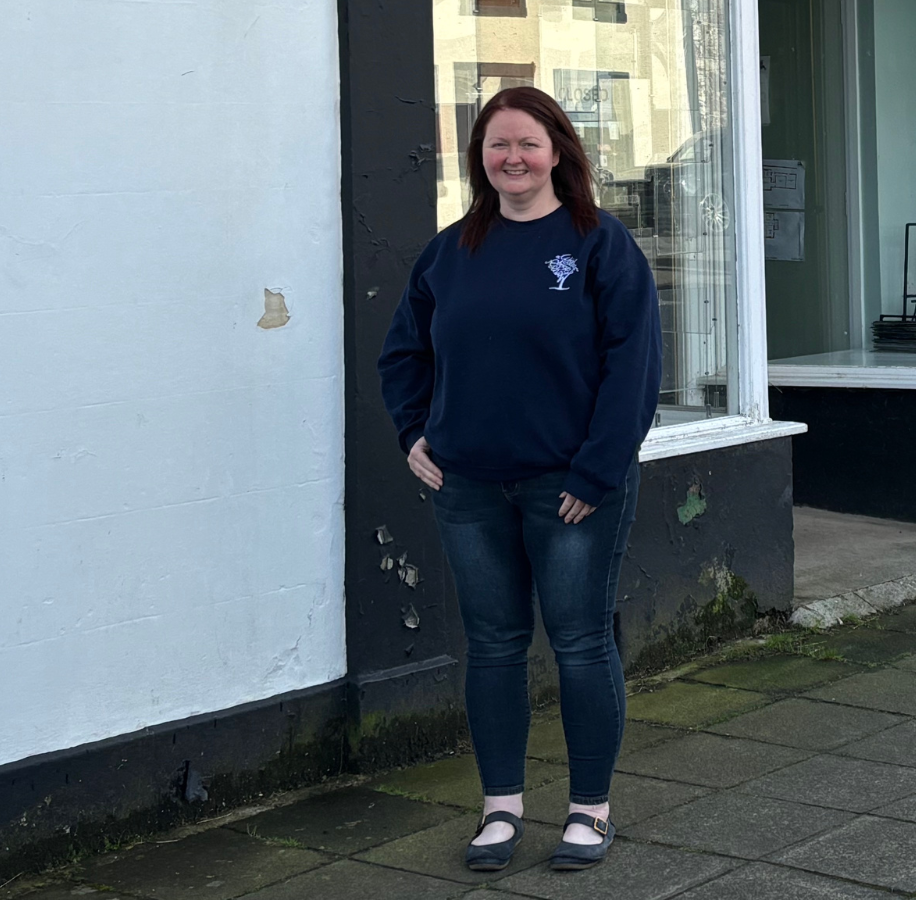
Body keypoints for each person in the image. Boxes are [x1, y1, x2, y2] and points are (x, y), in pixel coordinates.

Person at [376, 86, 661, 872]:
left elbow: (632, 364)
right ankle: (500, 809)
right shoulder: (451, 251)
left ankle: (589, 811)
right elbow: (403, 353)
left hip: (571, 489)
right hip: (468, 489)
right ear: (479, 159)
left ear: (559, 152)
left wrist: (599, 468)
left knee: (578, 644)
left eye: (528, 144)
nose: (512, 158)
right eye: (497, 145)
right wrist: (414, 434)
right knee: (495, 648)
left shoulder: (600, 244)